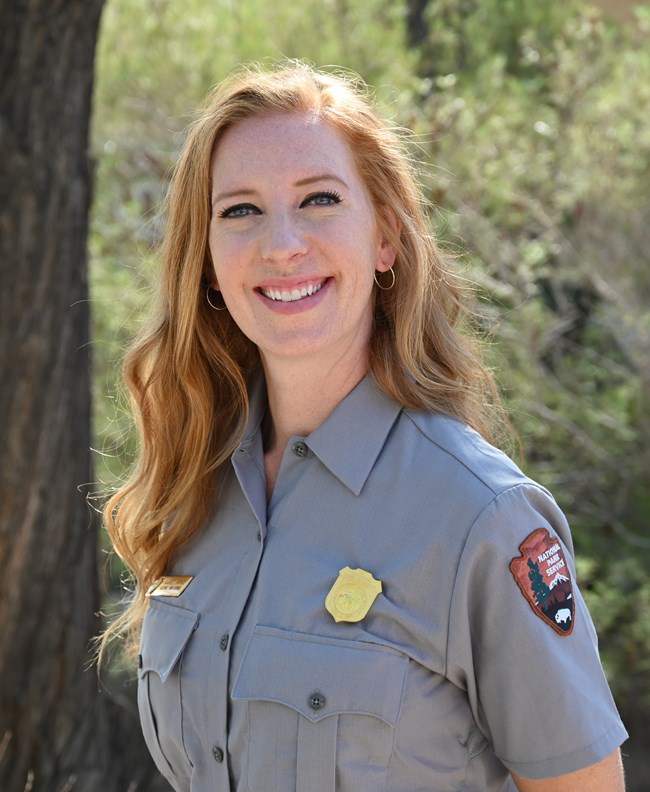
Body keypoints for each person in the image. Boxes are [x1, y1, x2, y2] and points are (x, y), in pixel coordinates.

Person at [103, 62, 628, 791]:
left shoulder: (480, 516)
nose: (281, 244)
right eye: (241, 211)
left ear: (384, 238)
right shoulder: (195, 492)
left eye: (318, 199)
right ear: (210, 267)